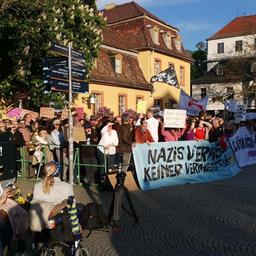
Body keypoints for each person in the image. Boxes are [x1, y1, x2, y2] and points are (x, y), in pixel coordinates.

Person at [30, 161, 74, 232]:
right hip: (61, 223)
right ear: (58, 172)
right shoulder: (66, 186)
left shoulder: (37, 186)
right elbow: (72, 205)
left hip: (39, 223)